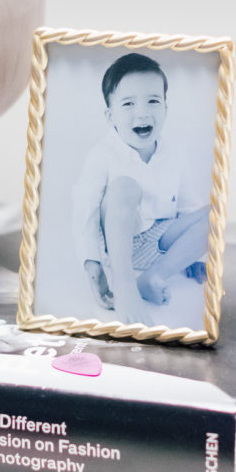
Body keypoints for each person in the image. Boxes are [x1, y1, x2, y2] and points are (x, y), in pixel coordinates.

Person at [72, 52, 210, 323]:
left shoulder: (174, 154)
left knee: (216, 213)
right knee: (124, 186)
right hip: (120, 245)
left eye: (153, 101)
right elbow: (84, 212)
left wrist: (191, 254)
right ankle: (126, 288)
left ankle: (154, 276)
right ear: (110, 116)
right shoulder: (103, 156)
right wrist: (93, 267)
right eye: (128, 104)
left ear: (166, 109)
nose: (142, 112)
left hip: (159, 241)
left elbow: (188, 205)